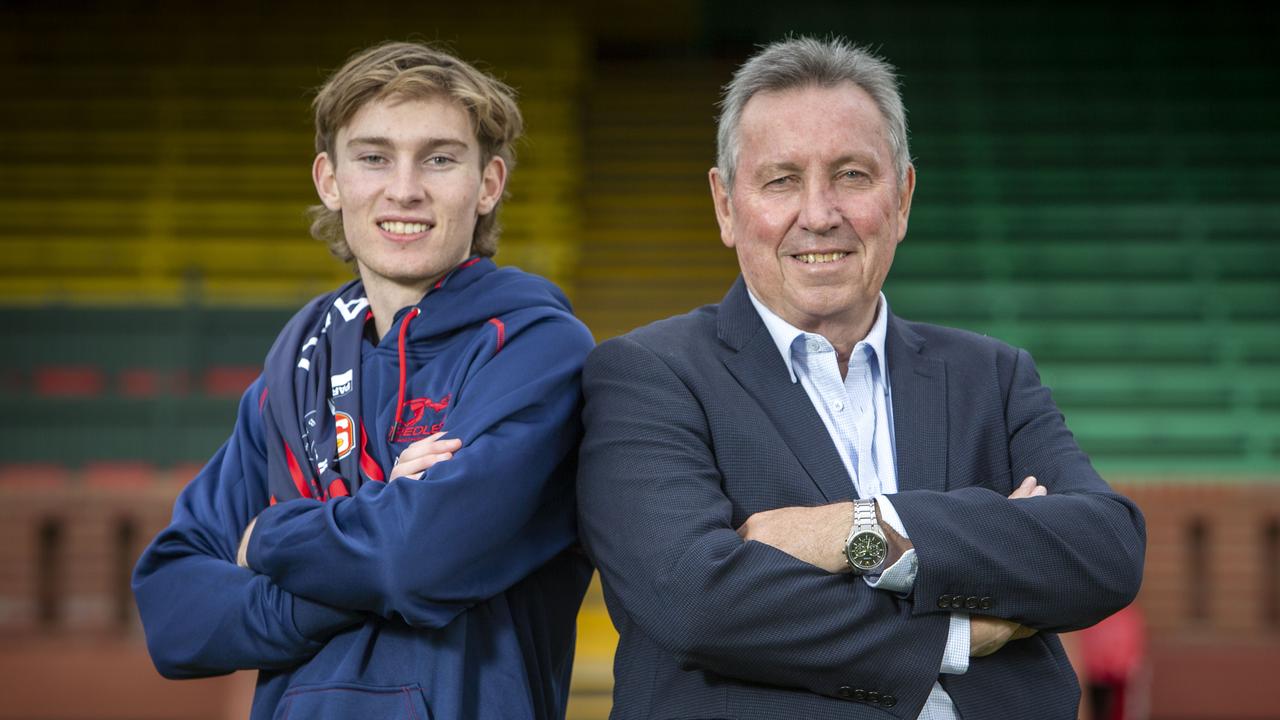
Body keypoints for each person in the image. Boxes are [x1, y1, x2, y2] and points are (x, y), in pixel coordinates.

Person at [576, 36, 1146, 719]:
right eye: (781, 179)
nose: (818, 214)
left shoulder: (991, 374)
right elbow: (696, 600)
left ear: (902, 196)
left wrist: (858, 531)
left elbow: (1104, 551)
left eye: (851, 175)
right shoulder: (646, 375)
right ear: (727, 205)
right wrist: (958, 625)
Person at [133, 41, 595, 720]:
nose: (403, 188)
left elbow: (416, 561)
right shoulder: (296, 367)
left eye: (439, 158)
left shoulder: (537, 350)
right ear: (330, 178)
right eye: (374, 156)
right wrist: (374, 536)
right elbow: (173, 614)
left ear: (489, 183)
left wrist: (266, 539)